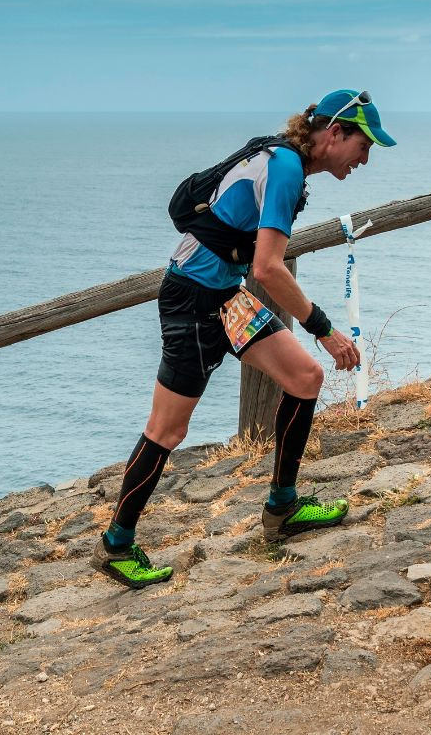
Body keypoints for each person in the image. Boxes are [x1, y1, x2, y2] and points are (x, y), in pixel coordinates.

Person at [92, 89, 397, 588]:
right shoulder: (285, 169)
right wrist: (325, 329)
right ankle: (116, 545)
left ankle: (282, 507)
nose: (365, 159)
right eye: (364, 146)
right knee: (167, 430)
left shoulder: (284, 160)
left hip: (225, 297)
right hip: (191, 301)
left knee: (304, 378)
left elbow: (252, 264)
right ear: (335, 133)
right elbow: (268, 267)